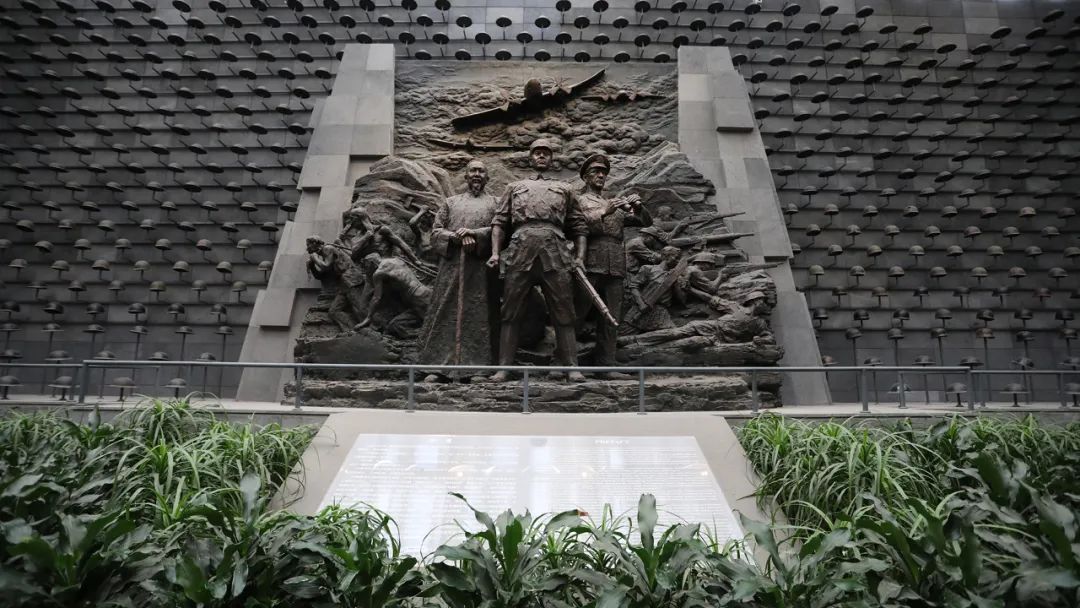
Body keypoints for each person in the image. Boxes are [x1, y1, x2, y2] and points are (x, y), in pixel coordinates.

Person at [486, 138, 588, 382]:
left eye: (546, 153)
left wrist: (580, 257)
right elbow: (499, 223)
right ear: (530, 158)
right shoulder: (514, 187)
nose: (541, 156)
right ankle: (504, 368)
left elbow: (579, 226)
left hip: (556, 251)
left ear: (551, 158)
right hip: (520, 250)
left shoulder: (565, 188)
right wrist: (496, 253)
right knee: (510, 311)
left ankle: (571, 367)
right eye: (537, 153)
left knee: (564, 310)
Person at [416, 160, 501, 380]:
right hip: (451, 267)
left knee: (480, 315)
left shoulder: (495, 203)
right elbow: (436, 232)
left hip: (481, 269)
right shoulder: (451, 202)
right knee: (446, 312)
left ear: (487, 177)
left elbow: (501, 229)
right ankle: (437, 368)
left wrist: (475, 234)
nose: (477, 174)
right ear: (466, 175)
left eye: (481, 171)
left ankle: (478, 368)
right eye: (473, 170)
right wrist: (454, 237)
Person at [572, 152, 652, 377]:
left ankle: (606, 364)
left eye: (604, 172)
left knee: (611, 317)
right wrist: (604, 211)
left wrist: (639, 207)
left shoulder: (613, 201)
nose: (601, 175)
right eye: (596, 171)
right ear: (586, 177)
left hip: (615, 264)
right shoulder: (579, 200)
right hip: (590, 262)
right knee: (577, 313)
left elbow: (646, 223)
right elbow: (576, 226)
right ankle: (561, 362)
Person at [356, 253, 432, 338]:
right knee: (396, 325)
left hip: (416, 298)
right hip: (425, 292)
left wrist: (368, 317)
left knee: (431, 326)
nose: (366, 269)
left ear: (372, 263)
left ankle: (424, 338)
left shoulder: (378, 273)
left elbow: (376, 298)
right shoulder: (397, 260)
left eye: (366, 266)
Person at [305, 236, 367, 333]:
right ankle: (351, 331)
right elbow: (320, 275)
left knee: (359, 307)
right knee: (334, 311)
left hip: (352, 279)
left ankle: (370, 330)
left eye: (308, 245)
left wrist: (315, 258)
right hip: (344, 284)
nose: (307, 248)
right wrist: (312, 265)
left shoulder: (328, 248)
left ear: (314, 243)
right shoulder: (324, 255)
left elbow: (325, 266)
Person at [623, 246, 686, 333]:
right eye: (675, 257)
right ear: (665, 256)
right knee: (623, 334)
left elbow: (682, 299)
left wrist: (677, 283)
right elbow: (633, 286)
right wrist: (641, 304)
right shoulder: (648, 269)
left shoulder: (675, 277)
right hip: (641, 309)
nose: (677, 260)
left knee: (674, 334)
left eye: (678, 259)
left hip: (660, 312)